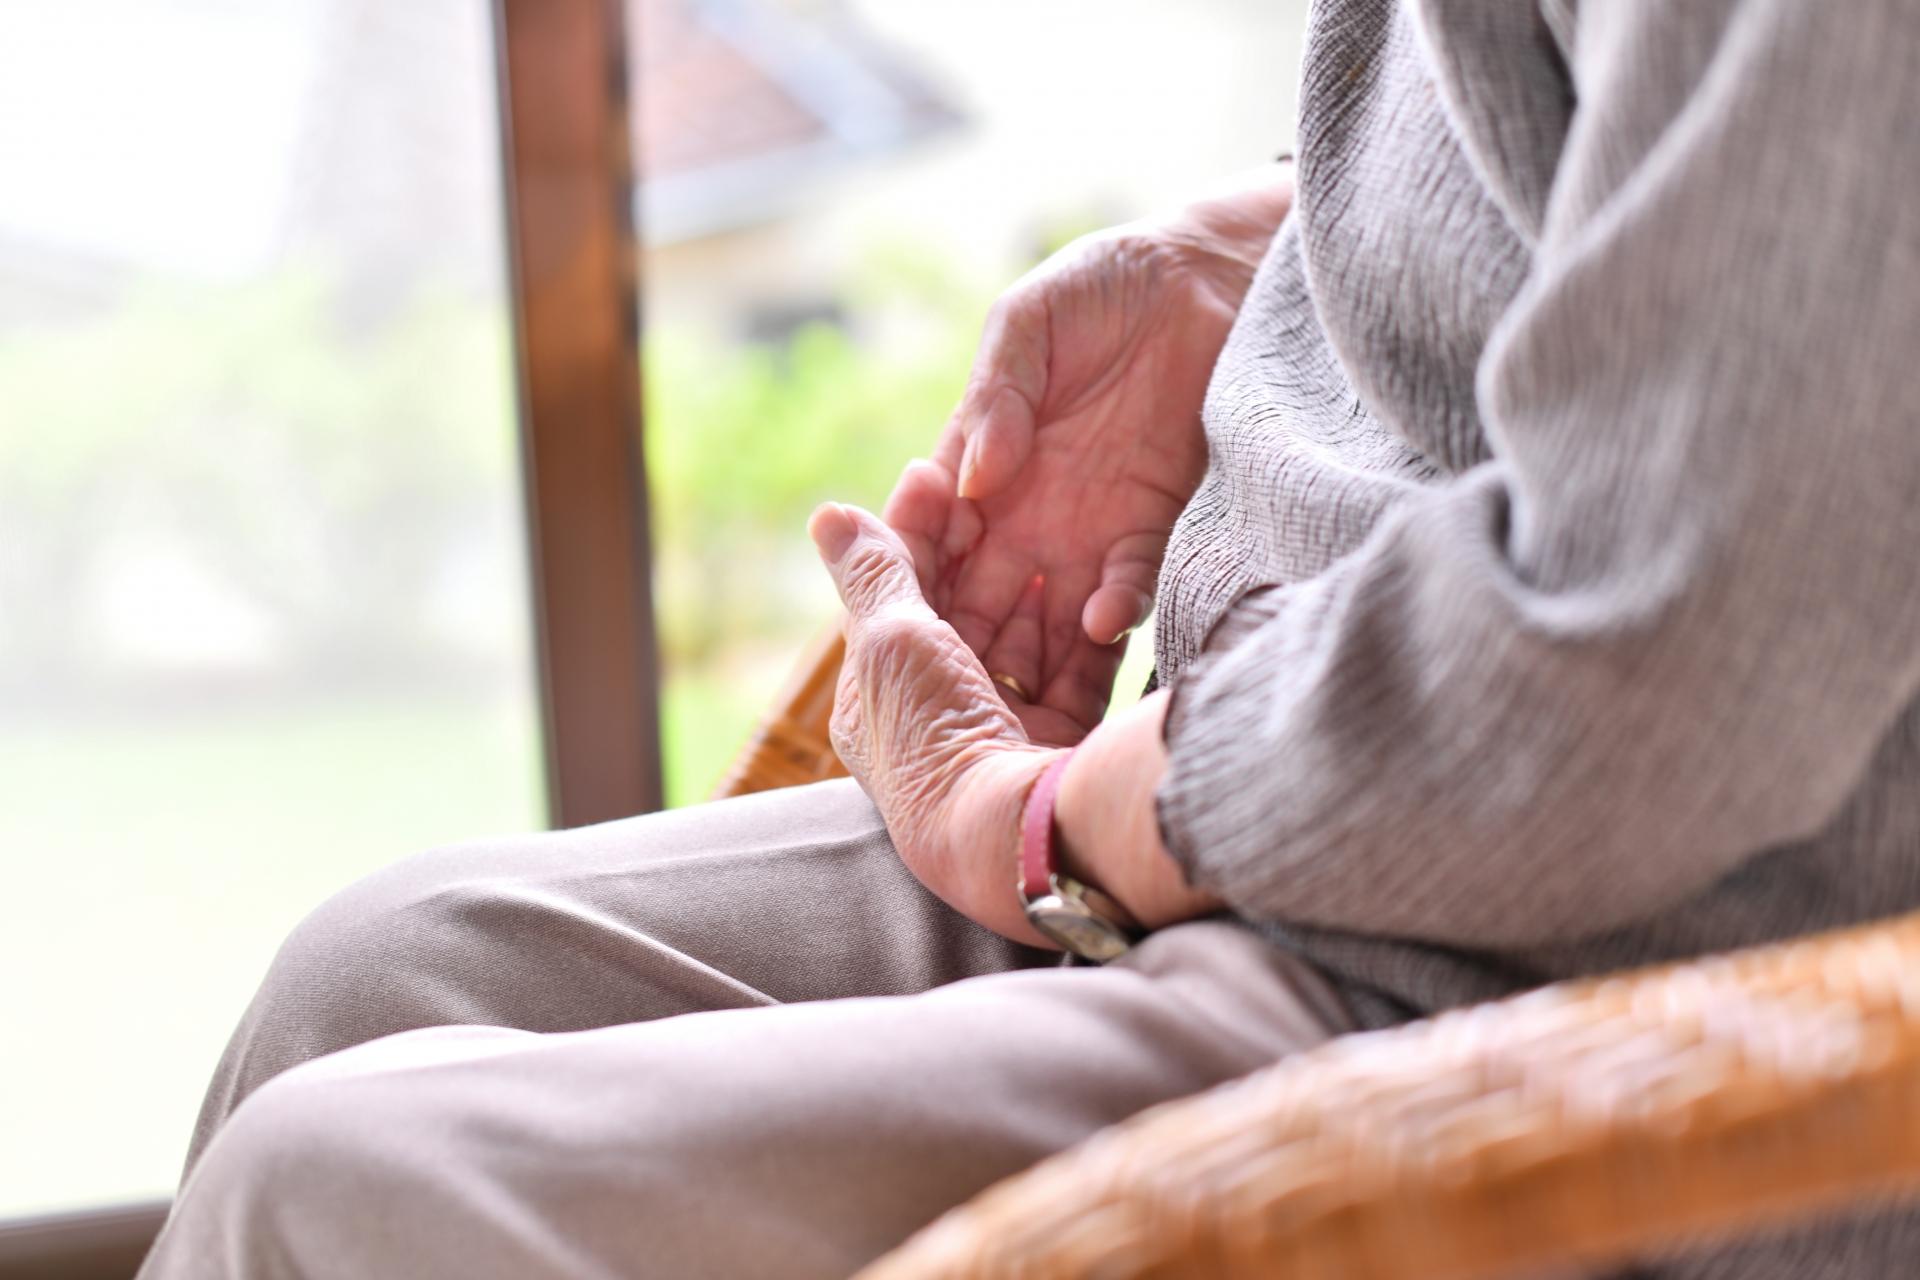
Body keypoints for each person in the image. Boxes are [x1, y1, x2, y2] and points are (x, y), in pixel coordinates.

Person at [139, 1, 1920, 1276]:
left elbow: (1663, 656)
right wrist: (1274, 270)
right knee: (373, 978)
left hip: (1567, 972)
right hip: (1315, 841)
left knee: (342, 1198)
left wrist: (1059, 828)